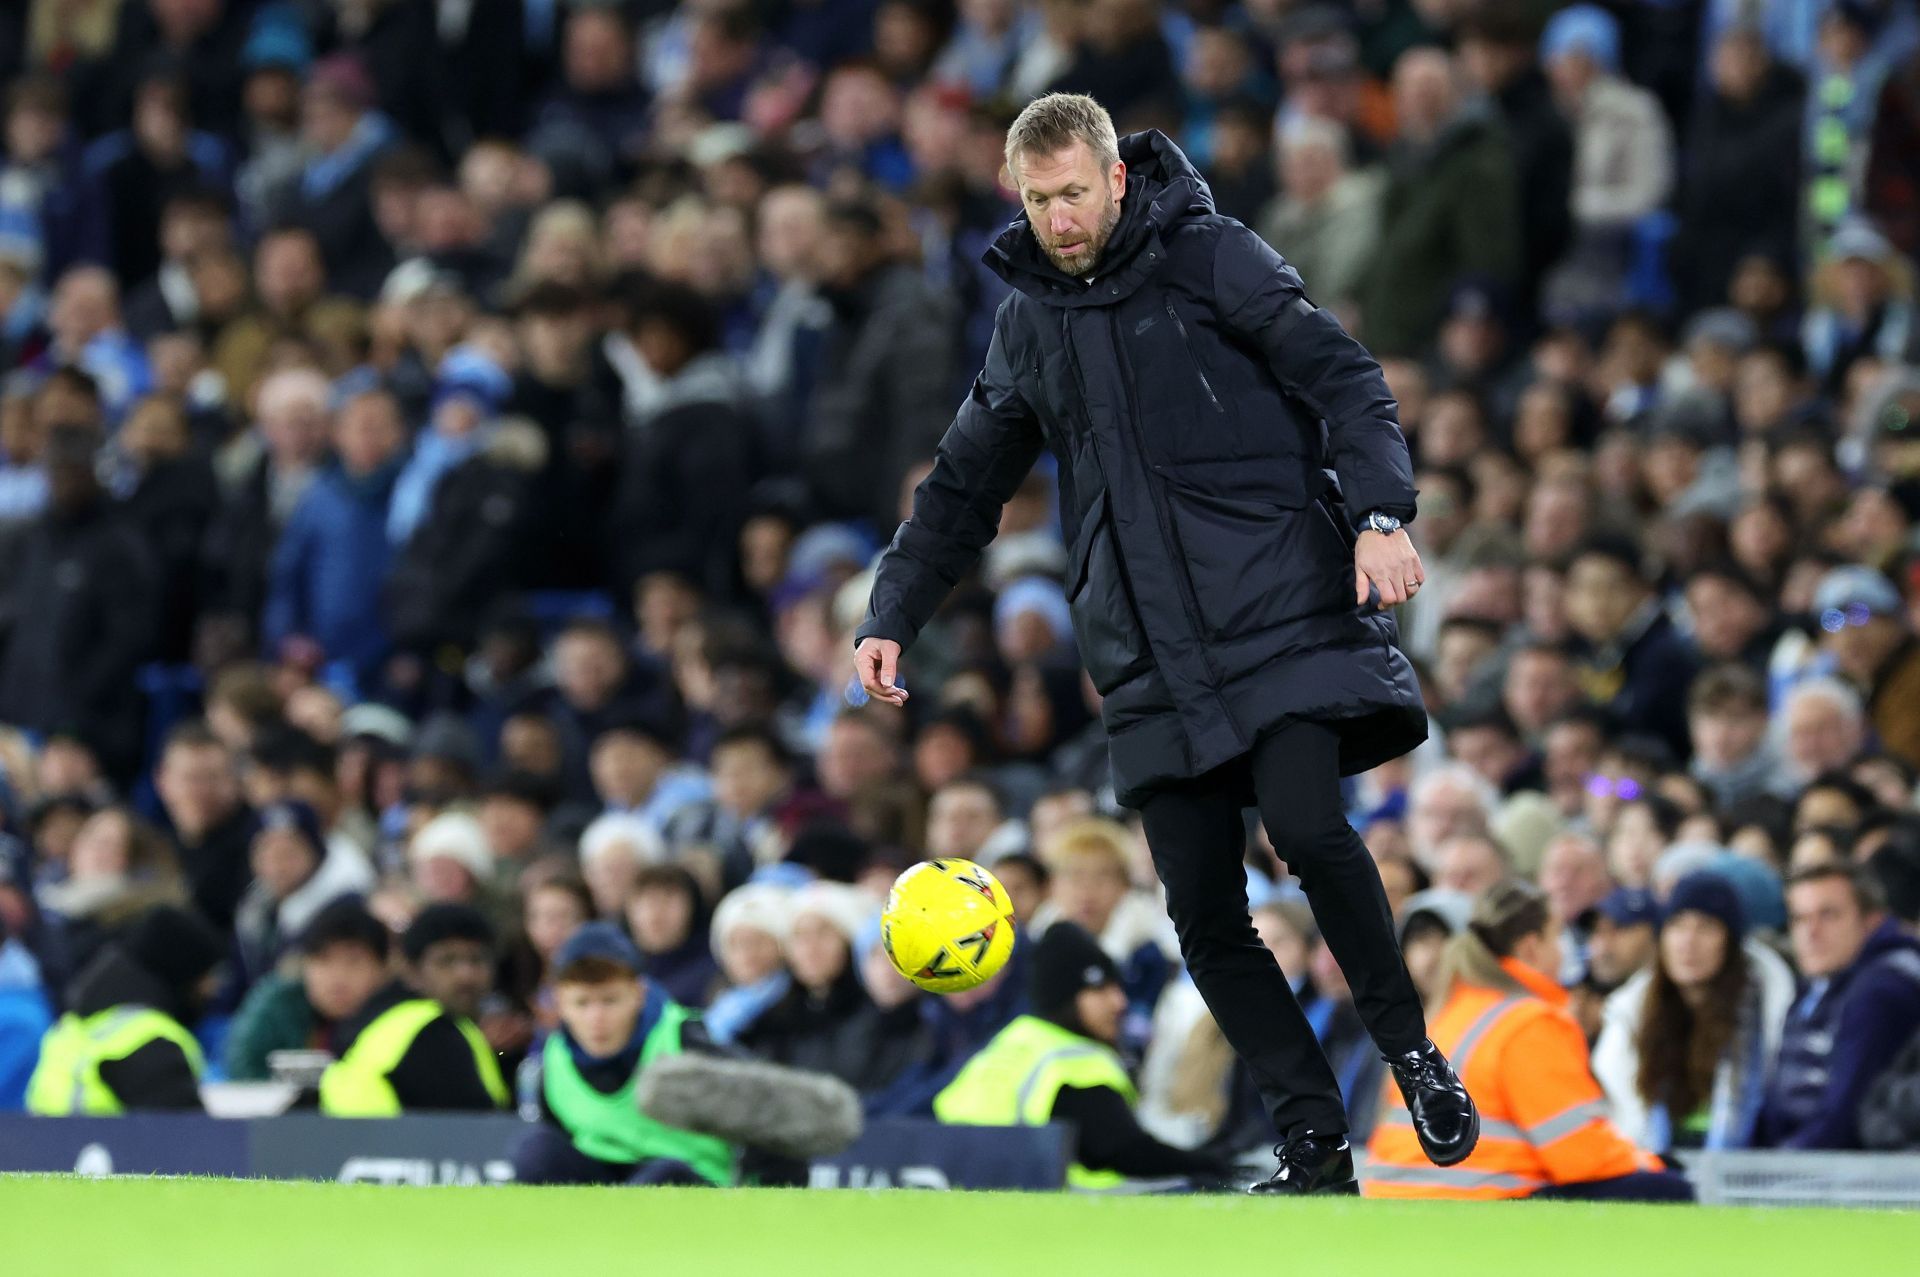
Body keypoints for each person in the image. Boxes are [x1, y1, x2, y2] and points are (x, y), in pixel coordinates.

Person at [853, 92, 1474, 1196]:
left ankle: (1413, 1056)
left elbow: (1345, 377)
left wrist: (1382, 515)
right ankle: (1314, 1142)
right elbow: (961, 487)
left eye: (1075, 194)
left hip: (1280, 610)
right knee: (1201, 910)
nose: (1060, 219)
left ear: (1117, 177)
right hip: (1146, 651)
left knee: (1305, 825)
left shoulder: (1214, 255)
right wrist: (892, 610)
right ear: (1017, 195)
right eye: (1039, 201)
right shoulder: (1028, 322)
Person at [1364, 880, 1690, 1201]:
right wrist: (1653, 1164)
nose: (1565, 952)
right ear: (1531, 947)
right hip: (1475, 1203)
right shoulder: (1529, 1023)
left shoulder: (1450, 1013)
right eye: (1557, 937)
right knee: (1670, 1189)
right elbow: (1581, 1154)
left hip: (1396, 1196)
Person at [936, 921, 1233, 1189]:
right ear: (1065, 998)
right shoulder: (1075, 1061)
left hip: (966, 1202)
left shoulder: (1011, 1041)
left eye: (1117, 987)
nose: (1119, 1002)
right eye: (1099, 989)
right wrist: (1211, 1164)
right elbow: (1124, 1152)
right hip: (1054, 1223)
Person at [510, 923, 736, 1186]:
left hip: (690, 1179)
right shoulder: (553, 1056)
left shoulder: (685, 1039)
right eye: (582, 1003)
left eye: (610, 1000)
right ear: (560, 1003)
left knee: (664, 1177)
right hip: (606, 1180)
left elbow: (759, 1112)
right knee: (536, 1151)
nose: (596, 1018)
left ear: (639, 994)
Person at [1592, 873, 1794, 1153]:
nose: (1688, 942)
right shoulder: (1631, 1015)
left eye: (1706, 927)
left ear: (1730, 942)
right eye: (1677, 926)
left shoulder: (1770, 1010)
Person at [1757, 863, 1920, 1148]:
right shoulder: (1818, 984)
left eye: (1828, 915)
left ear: (1872, 921)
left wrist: (1769, 1173)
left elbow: (1843, 1121)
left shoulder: (1881, 992)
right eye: (1799, 919)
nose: (1811, 932)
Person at [25, 905, 224, 1115]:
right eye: (206, 977)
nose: (212, 988)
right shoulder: (148, 1042)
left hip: (56, 1146)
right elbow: (187, 1137)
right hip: (109, 1146)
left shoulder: (74, 1025)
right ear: (182, 975)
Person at [318, 903, 510, 1115]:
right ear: (411, 971)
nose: (465, 975)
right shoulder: (431, 1030)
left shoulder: (380, 1018)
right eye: (446, 961)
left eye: (477, 959)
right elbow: (476, 1130)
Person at [225, 898, 391, 1083]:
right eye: (324, 960)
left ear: (382, 969)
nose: (338, 977)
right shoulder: (278, 1003)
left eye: (353, 961)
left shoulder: (398, 1016)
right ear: (305, 965)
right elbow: (243, 1068)